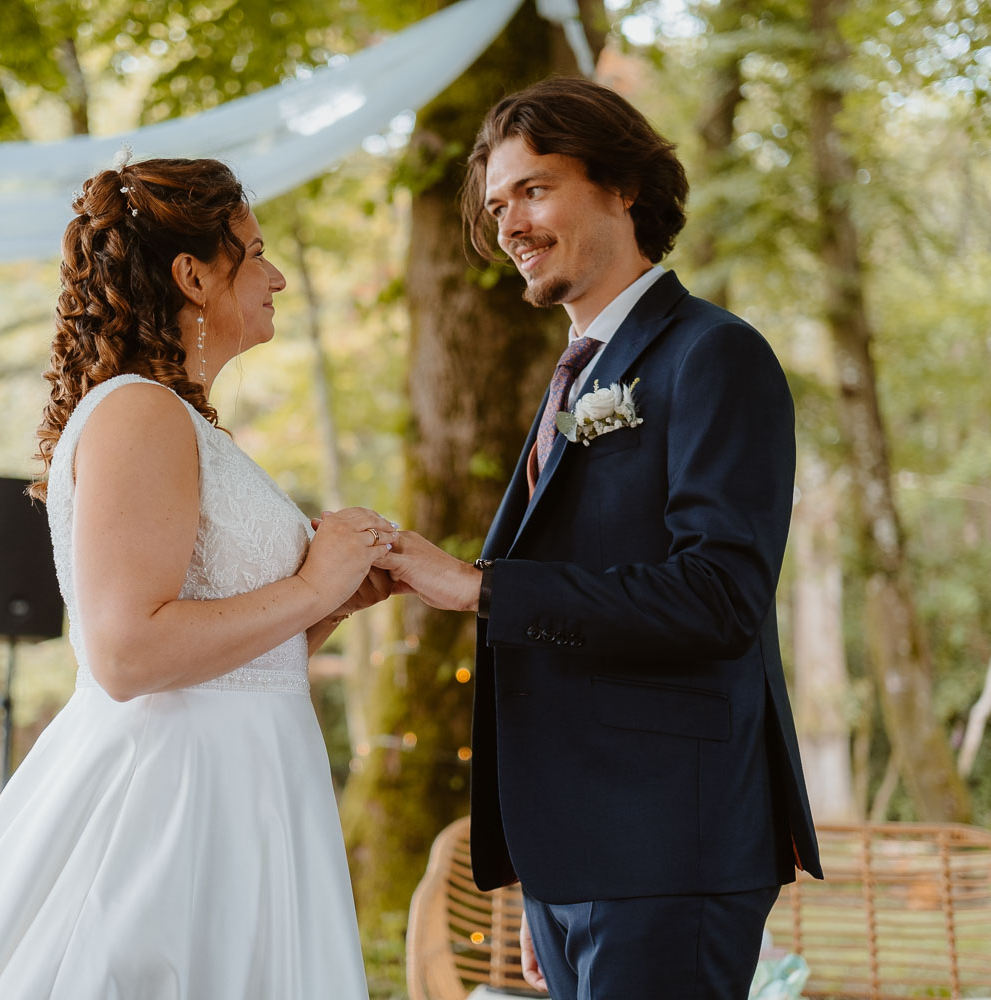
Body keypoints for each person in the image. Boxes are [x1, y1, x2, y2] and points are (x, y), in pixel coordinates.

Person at [0, 158, 392, 999]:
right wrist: (309, 587)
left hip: (245, 787)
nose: (275, 277)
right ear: (193, 274)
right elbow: (128, 653)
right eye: (255, 252)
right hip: (174, 803)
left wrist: (327, 606)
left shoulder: (184, 420)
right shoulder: (141, 411)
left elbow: (217, 645)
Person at [376, 78, 824, 999]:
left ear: (623, 187)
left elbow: (719, 599)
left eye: (535, 190)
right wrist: (553, 876)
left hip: (670, 847)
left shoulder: (713, 355)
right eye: (498, 204)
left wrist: (483, 586)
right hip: (586, 855)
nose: (509, 224)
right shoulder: (577, 376)